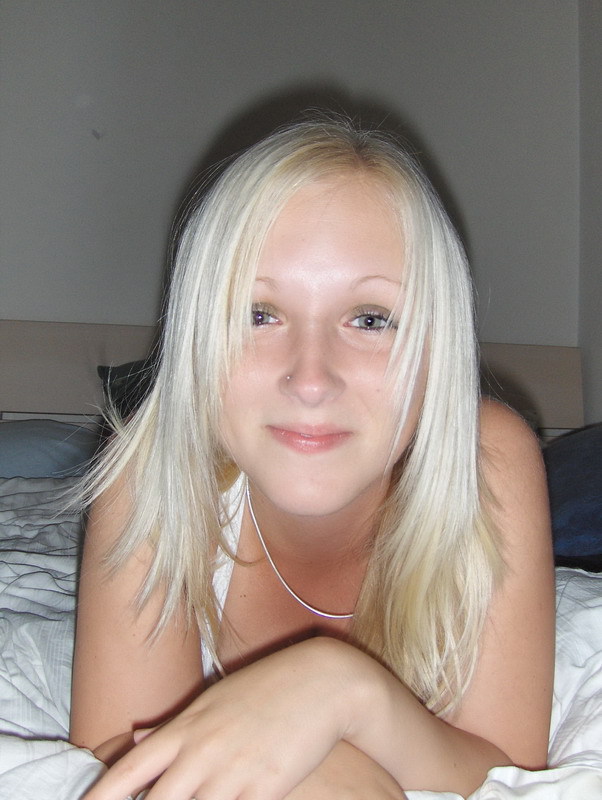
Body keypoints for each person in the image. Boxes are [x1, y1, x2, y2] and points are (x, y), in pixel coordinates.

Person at [70, 117, 555, 800]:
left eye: (370, 319)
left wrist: (344, 693)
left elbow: (509, 770)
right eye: (259, 313)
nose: (310, 378)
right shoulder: (145, 477)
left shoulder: (488, 460)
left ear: (435, 345)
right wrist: (329, 766)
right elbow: (120, 771)